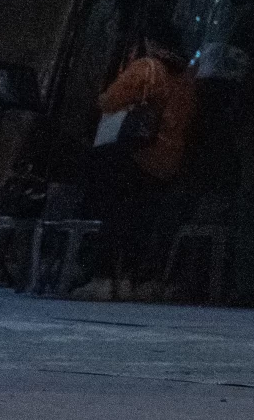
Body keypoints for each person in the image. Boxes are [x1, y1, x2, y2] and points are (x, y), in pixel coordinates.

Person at [82, 21, 198, 297]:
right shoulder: (186, 79)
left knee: (116, 215)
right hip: (167, 162)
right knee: (142, 223)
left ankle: (103, 278)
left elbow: (110, 101)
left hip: (136, 153)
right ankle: (131, 280)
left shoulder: (148, 68)